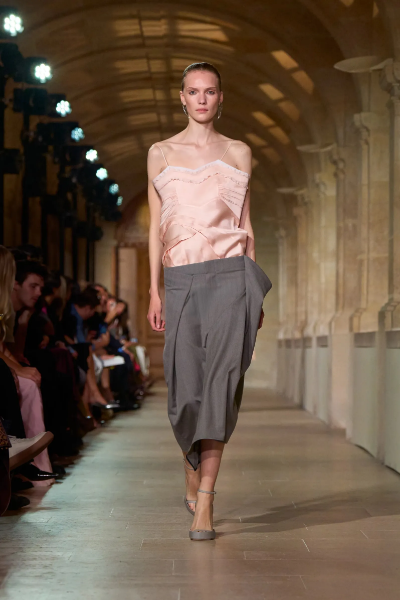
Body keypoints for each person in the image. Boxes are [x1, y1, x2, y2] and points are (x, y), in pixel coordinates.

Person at [146, 62, 272, 541]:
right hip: (180, 279)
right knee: (184, 395)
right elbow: (157, 228)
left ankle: (206, 500)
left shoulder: (238, 151)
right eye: (194, 91)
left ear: (221, 98)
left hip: (232, 277)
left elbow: (246, 224)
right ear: (181, 97)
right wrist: (155, 289)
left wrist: (253, 289)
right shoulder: (160, 153)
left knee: (220, 386)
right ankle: (191, 459)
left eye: (210, 91)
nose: (202, 99)